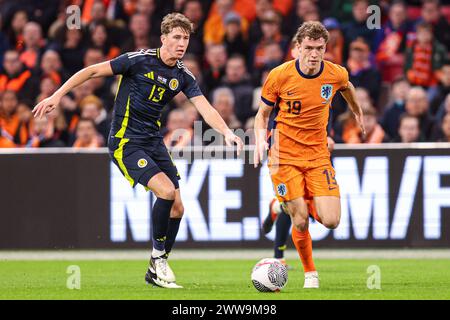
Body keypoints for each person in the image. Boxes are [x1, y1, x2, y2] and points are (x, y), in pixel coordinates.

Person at [33, 13, 244, 289]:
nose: (182, 43)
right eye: (177, 37)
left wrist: (228, 132)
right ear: (164, 38)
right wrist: (57, 96)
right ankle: (158, 261)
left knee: (178, 208)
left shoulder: (182, 75)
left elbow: (206, 108)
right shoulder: (138, 60)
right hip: (125, 141)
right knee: (166, 192)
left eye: (186, 38)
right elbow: (92, 71)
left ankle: (156, 267)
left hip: (153, 141)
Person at [254, 21, 365, 289]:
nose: (314, 54)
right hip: (284, 155)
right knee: (301, 219)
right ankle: (310, 274)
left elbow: (347, 86)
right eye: (309, 48)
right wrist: (259, 140)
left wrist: (357, 111)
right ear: (297, 49)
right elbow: (263, 115)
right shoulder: (279, 75)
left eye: (319, 48)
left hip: (317, 155)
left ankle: (278, 206)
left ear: (326, 48)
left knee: (331, 221)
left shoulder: (335, 73)